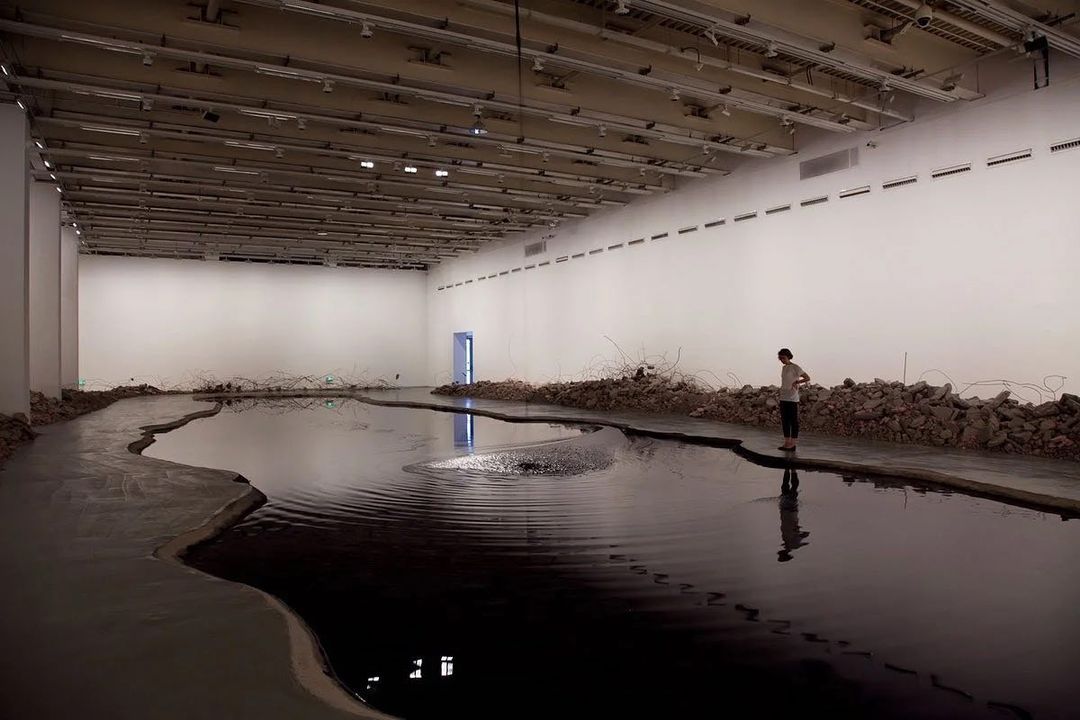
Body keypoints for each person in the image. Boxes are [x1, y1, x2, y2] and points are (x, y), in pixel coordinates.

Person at [777, 348, 810, 451]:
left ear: (788, 356)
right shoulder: (784, 368)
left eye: (783, 358)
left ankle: (793, 444)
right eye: (780, 358)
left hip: (792, 398)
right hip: (783, 397)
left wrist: (797, 383)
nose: (782, 360)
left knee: (793, 421)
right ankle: (787, 442)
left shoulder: (795, 367)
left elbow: (807, 378)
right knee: (785, 421)